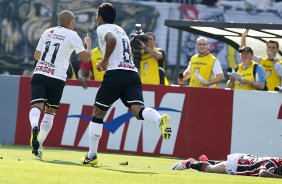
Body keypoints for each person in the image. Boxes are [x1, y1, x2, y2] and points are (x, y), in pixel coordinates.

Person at [81, 3, 171, 166]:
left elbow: (111, 40)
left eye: (96, 16)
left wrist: (105, 60)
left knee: (98, 112)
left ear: (100, 18)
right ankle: (159, 120)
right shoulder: (120, 30)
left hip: (116, 74)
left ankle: (92, 155)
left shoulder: (103, 29)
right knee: (137, 111)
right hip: (132, 74)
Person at [29, 10, 91, 158]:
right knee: (50, 113)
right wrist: (88, 45)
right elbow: (86, 58)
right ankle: (39, 146)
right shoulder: (72, 35)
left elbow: (36, 55)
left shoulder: (47, 31)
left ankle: (34, 126)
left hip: (40, 72)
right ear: (70, 23)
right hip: (56, 78)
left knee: (36, 106)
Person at [171, 153, 282, 179]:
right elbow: (262, 173)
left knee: (216, 165)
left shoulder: (278, 161)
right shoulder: (272, 165)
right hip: (236, 165)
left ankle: (206, 160)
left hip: (243, 159)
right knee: (210, 169)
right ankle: (189, 163)